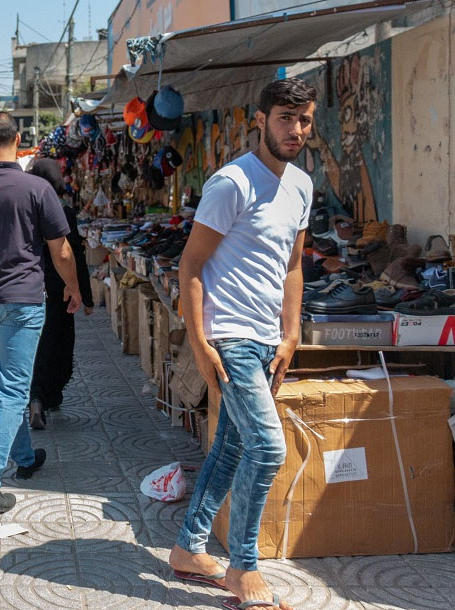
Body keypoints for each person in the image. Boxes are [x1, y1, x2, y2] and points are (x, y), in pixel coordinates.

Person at [168, 78, 316, 610]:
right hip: (228, 334)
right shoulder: (232, 183)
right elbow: (191, 264)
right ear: (259, 120)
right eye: (284, 118)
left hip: (267, 339)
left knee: (233, 444)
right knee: (268, 446)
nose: (295, 130)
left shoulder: (301, 184)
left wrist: (292, 331)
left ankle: (188, 549)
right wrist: (201, 341)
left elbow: (293, 266)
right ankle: (244, 566)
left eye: (303, 119)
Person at [0, 111, 82, 514]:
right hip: (23, 302)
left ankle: (24, 458)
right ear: (18, 138)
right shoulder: (36, 188)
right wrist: (74, 288)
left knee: (9, 384)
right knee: (12, 390)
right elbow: (60, 248)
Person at [26, 159, 93, 429]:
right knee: (59, 343)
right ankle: (45, 396)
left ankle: (39, 397)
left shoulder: (26, 210)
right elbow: (73, 252)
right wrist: (82, 293)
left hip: (30, 286)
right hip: (60, 288)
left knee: (37, 344)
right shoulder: (61, 210)